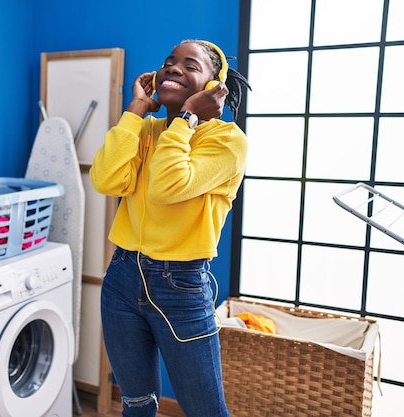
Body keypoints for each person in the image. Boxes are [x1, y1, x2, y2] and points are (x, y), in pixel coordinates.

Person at [89, 39, 251, 417]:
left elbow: (167, 186)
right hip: (122, 279)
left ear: (215, 88)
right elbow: (106, 179)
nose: (174, 68)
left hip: (180, 286)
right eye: (168, 62)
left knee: (204, 410)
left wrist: (188, 119)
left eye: (190, 65)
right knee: (136, 403)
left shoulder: (227, 141)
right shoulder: (144, 130)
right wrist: (135, 109)